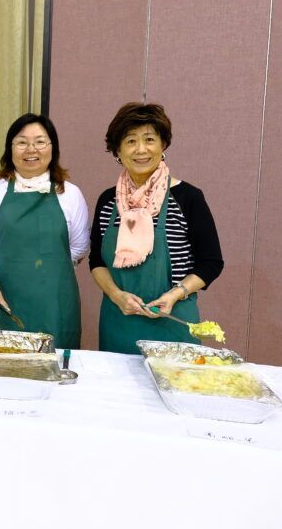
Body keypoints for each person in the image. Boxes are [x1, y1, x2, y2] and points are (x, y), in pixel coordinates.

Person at [90, 102, 224, 354]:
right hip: (119, 319)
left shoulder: (188, 197)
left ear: (163, 146)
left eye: (149, 139)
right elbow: (96, 261)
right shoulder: (108, 201)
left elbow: (211, 262)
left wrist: (175, 294)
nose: (141, 149)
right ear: (117, 150)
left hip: (173, 321)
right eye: (130, 141)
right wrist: (117, 295)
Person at [0, 114, 90, 349]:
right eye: (22, 142)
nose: (31, 149)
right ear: (10, 149)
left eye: (40, 141)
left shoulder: (70, 194)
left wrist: (48, 270)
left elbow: (78, 247)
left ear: (52, 148)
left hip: (55, 304)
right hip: (3, 299)